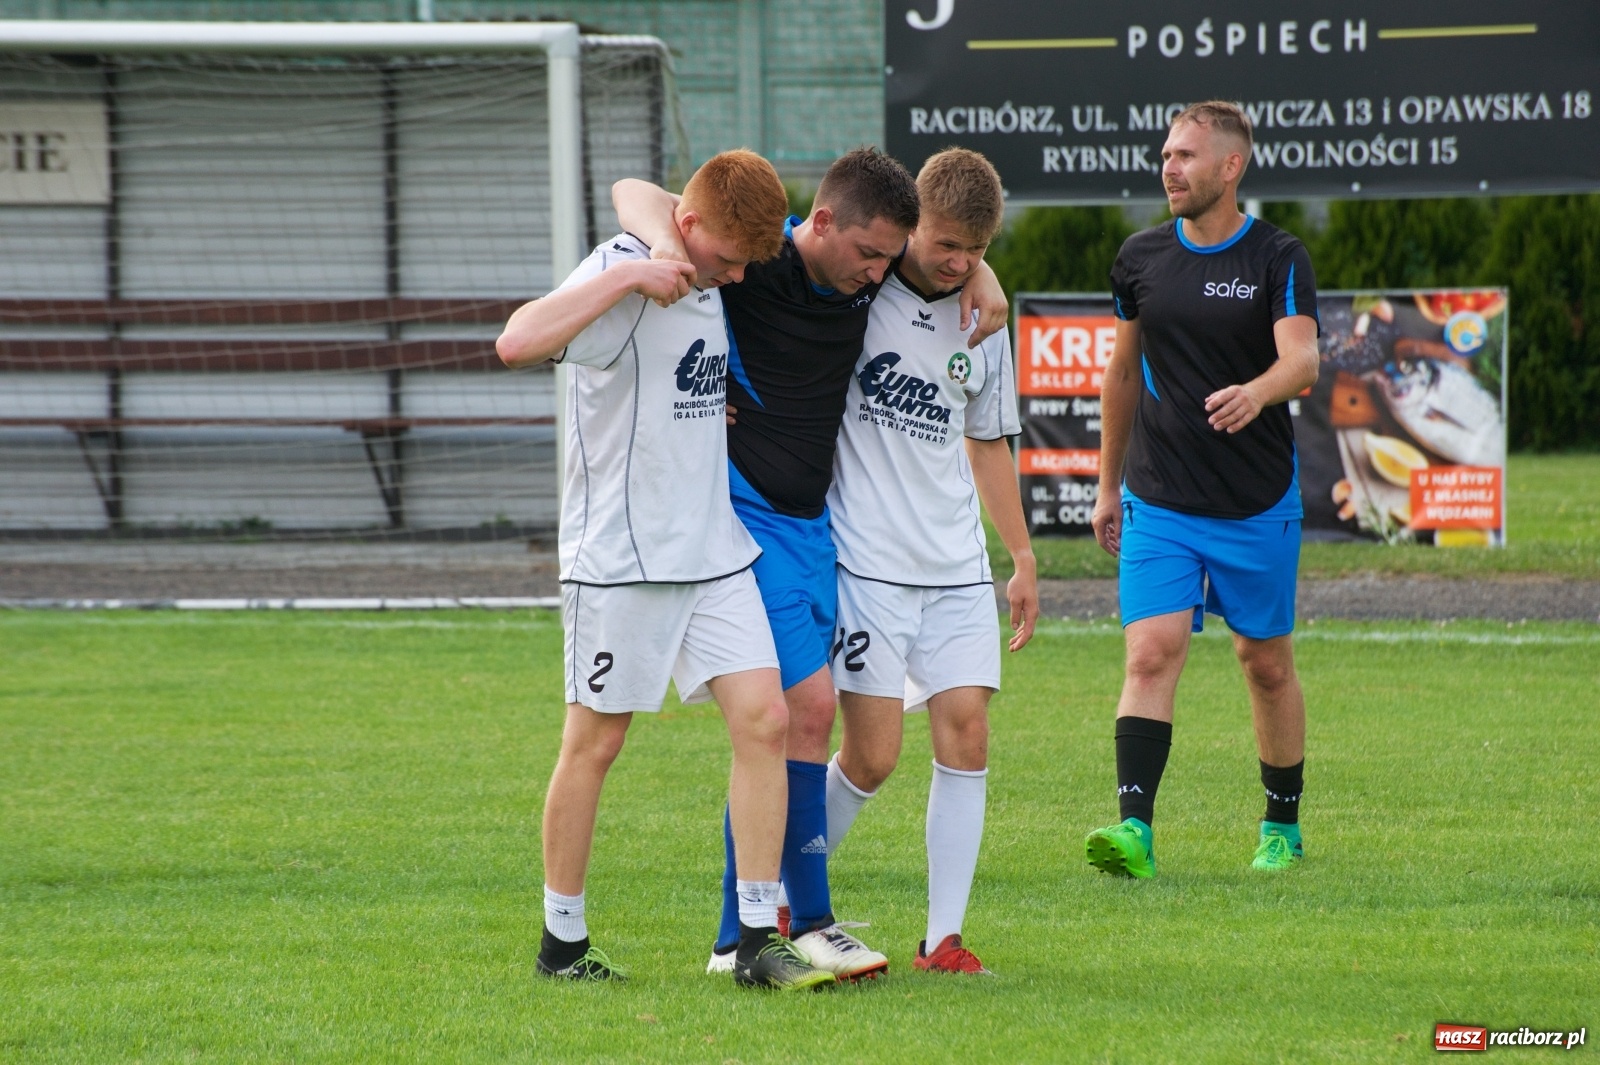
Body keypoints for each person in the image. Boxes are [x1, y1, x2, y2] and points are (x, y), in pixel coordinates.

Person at [613, 147, 1010, 980]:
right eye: (867, 255)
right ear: (820, 224)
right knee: (804, 706)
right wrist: (663, 246)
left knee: (795, 721)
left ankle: (741, 933)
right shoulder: (756, 269)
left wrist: (984, 276)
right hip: (744, 521)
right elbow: (636, 190)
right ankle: (805, 921)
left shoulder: (871, 283)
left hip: (813, 529)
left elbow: (943, 251)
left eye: (884, 261)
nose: (876, 274)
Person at [498, 149, 834, 990]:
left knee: (765, 718)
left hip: (713, 551)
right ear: (689, 231)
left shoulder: (710, 268)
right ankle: (561, 944)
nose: (736, 275)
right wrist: (631, 277)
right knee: (596, 743)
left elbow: (647, 191)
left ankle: (757, 937)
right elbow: (516, 341)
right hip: (621, 561)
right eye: (726, 259)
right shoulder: (623, 271)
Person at [1084, 101, 1321, 878]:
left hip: (1256, 500)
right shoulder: (1141, 257)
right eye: (1165, 154)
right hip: (1159, 497)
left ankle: (1281, 825)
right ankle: (1133, 831)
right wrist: (1107, 484)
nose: (1170, 168)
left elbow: (1304, 362)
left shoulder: (1278, 257)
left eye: (1187, 155)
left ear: (1231, 167)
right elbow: (1121, 374)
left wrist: (1257, 392)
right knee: (1151, 652)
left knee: (1265, 662)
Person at [820, 148, 1038, 975]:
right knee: (873, 755)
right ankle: (780, 904)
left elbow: (988, 442)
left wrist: (1018, 555)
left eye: (975, 252)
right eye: (945, 244)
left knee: (968, 734)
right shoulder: (858, 287)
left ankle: (943, 937)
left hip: (954, 566)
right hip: (868, 564)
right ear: (912, 226)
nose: (958, 263)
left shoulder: (983, 317)